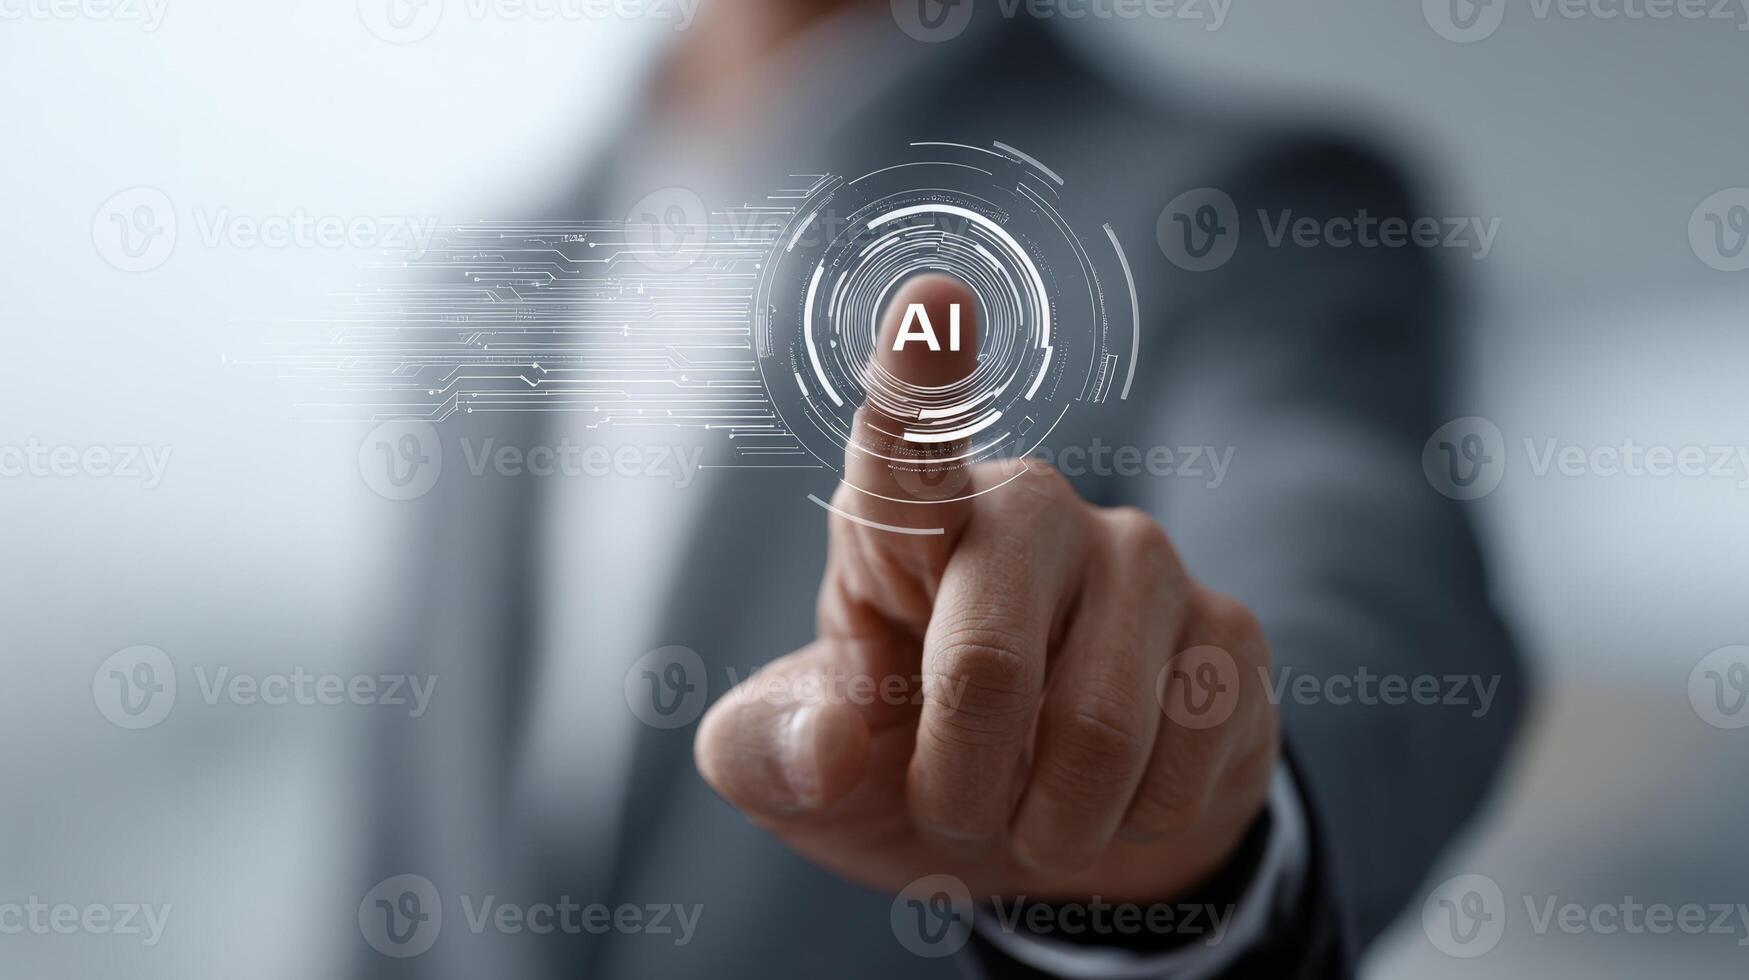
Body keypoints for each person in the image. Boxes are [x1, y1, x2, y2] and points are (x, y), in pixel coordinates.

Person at [362, 3, 1525, 977]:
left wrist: (1203, 808)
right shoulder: (481, 281)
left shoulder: (1239, 208)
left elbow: (1364, 585)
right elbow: (404, 844)